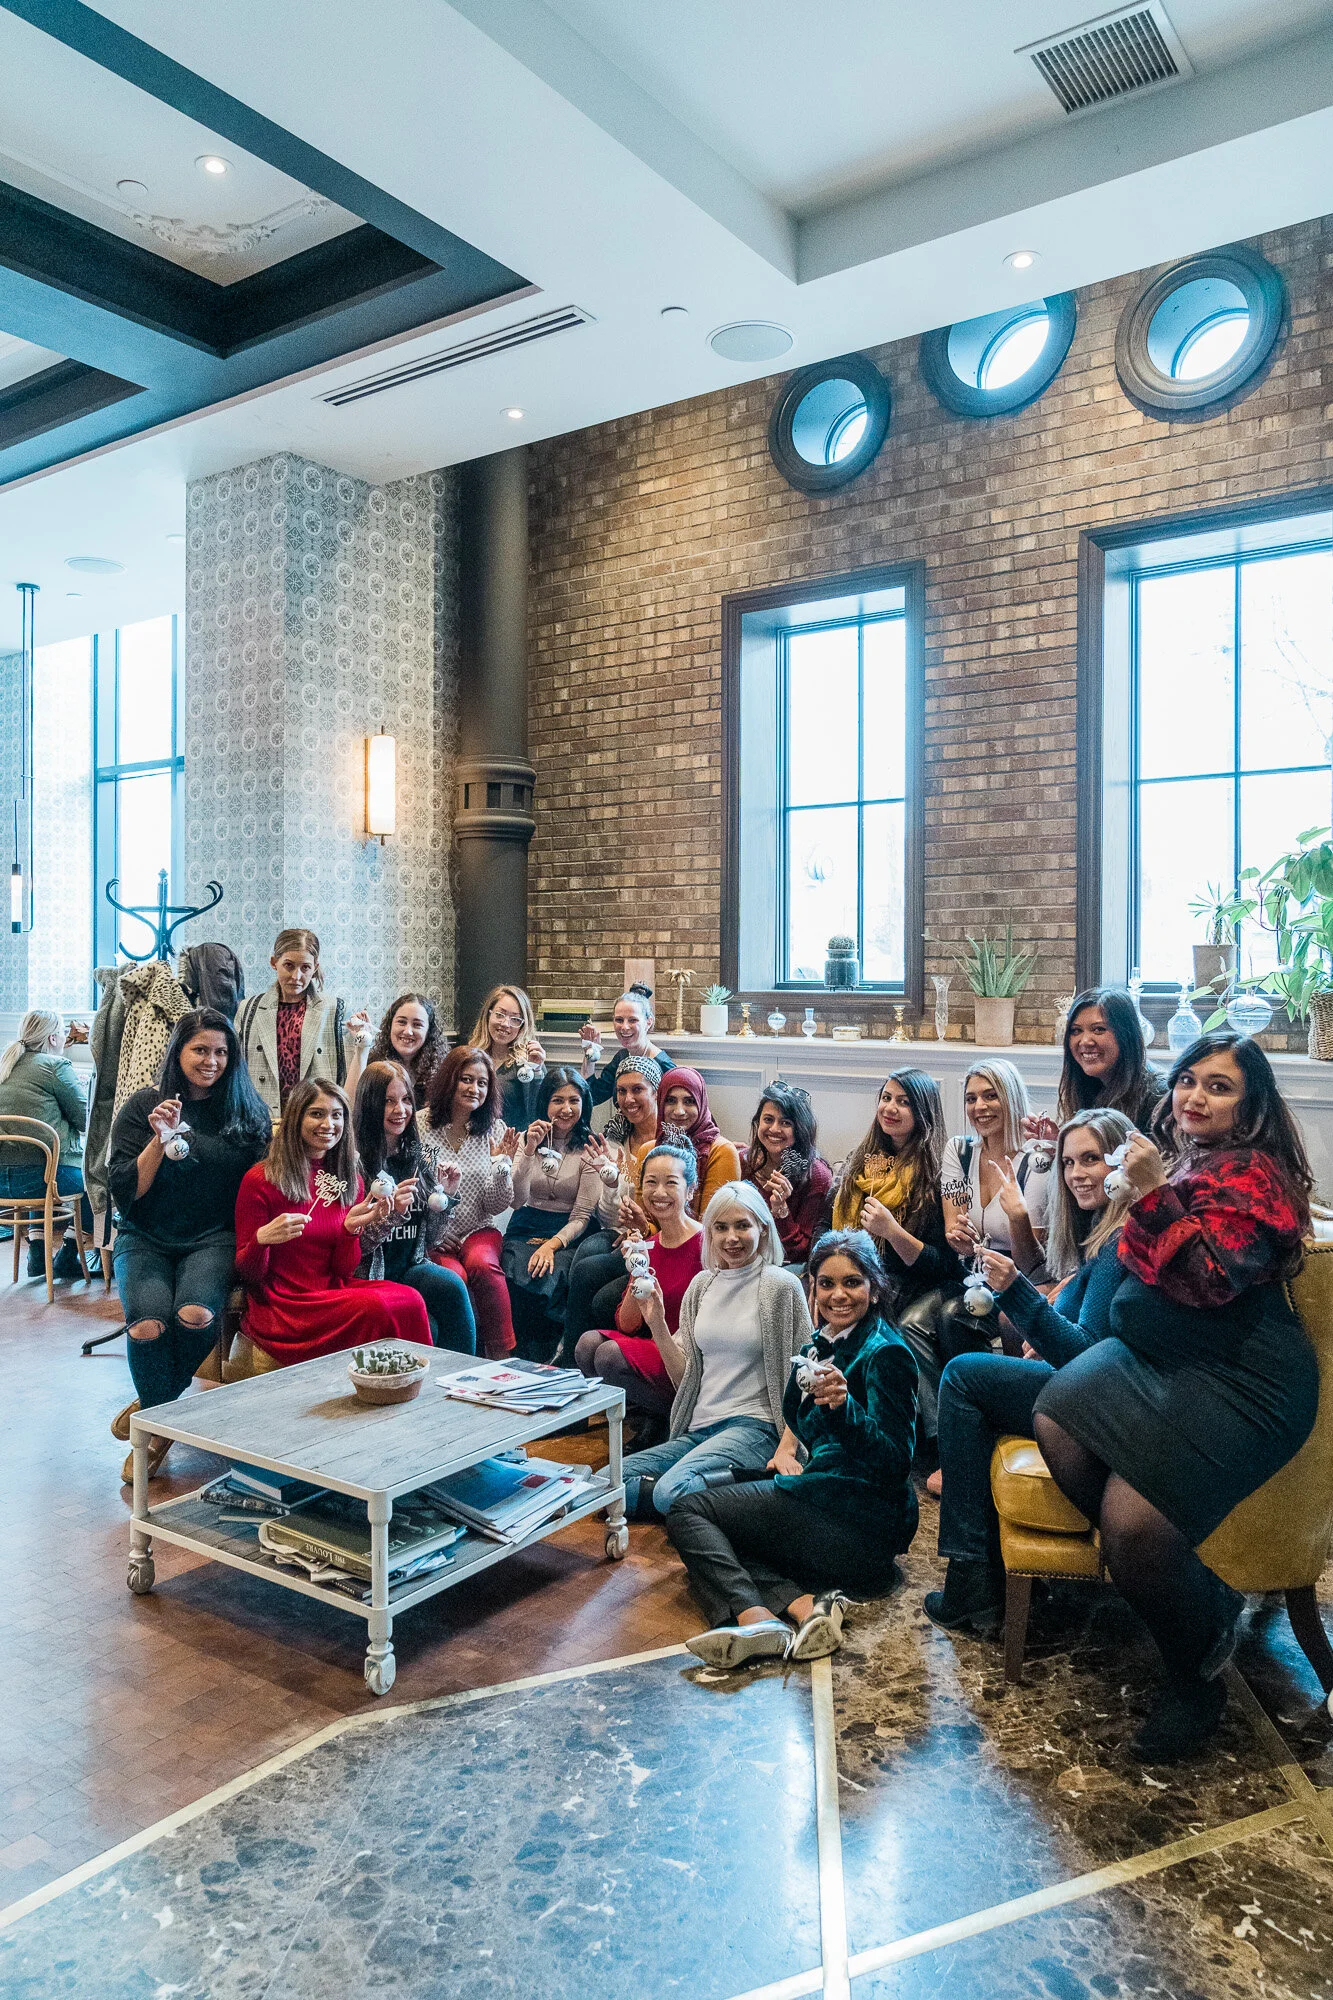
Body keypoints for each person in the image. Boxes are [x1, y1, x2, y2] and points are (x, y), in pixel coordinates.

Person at [1034, 1032, 1319, 1761]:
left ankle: (1194, 1678)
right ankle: (1201, 1598)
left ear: (1251, 1106)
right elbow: (1137, 1261)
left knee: (1133, 1529)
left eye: (1218, 1087)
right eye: (1187, 1079)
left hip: (1242, 1380)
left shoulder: (1255, 1178)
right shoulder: (1190, 1160)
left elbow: (1206, 1280)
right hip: (1165, 1360)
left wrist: (1155, 1194)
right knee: (1056, 1417)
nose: (1194, 1096)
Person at [924, 1108, 1136, 1635]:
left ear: (1120, 1165)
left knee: (963, 1377)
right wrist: (1040, 1326)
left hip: (1104, 1399)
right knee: (972, 1378)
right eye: (1069, 1162)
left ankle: (970, 1581)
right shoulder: (1102, 1232)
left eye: (1091, 1159)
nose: (1077, 1174)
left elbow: (1086, 1352)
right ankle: (988, 1575)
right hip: (1096, 1386)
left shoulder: (1120, 1241)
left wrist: (1015, 1290)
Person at [669, 1230, 919, 1666]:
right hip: (826, 1496)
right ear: (813, 1289)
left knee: (688, 1513)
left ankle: (755, 1616)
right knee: (711, 1508)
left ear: (875, 1289)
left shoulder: (885, 1354)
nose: (838, 1295)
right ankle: (806, 1606)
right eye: (827, 1283)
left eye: (852, 1282)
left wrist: (845, 1409)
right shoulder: (818, 1346)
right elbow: (804, 1426)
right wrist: (786, 1453)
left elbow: (895, 1464)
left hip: (861, 1524)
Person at [106, 1009, 271, 1481]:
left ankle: (152, 1419)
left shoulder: (246, 1112)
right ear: (178, 1052)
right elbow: (129, 1191)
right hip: (144, 1237)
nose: (211, 1061)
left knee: (195, 1315)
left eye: (221, 1051)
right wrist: (159, 1140)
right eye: (200, 1049)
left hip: (213, 1238)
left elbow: (260, 1185)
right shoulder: (143, 1107)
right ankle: (159, 1422)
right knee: (146, 1325)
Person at [619, 1181, 810, 1519]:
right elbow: (685, 1379)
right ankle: (708, 1498)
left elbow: (805, 1375)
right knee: (609, 1479)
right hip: (700, 1428)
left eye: (742, 1226)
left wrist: (788, 1447)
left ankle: (738, 1487)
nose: (731, 1238)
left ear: (763, 1229)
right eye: (720, 1228)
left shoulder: (781, 1286)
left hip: (755, 1427)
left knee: (669, 1490)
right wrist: (658, 1324)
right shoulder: (702, 1285)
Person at [234, 1078, 432, 1365]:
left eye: (337, 1115)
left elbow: (343, 1269)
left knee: (411, 1299)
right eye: (317, 1114)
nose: (328, 1124)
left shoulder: (351, 1181)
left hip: (332, 1290)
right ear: (296, 1118)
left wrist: (349, 1231)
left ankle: (411, 1381)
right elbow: (249, 1274)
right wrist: (261, 1240)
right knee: (377, 1306)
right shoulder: (260, 1180)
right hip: (286, 1303)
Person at [830, 1070, 964, 1454]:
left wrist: (891, 1231)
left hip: (917, 1284)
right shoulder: (863, 1162)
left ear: (923, 1113)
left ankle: (939, 1444)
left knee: (891, 1321)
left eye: (904, 1102)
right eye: (886, 1098)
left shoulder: (936, 1174)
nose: (890, 1108)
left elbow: (944, 1264)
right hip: (867, 1277)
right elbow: (829, 1221)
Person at [574, 1141, 705, 1424]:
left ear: (690, 1190)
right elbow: (628, 1324)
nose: (659, 1192)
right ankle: (644, 1413)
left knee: (608, 1355)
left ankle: (670, 1418)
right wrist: (639, 1270)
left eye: (671, 1183)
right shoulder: (648, 1245)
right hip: (653, 1341)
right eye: (651, 1183)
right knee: (587, 1344)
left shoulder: (705, 1244)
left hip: (687, 1354)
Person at [352, 1060, 475, 1353]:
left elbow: (432, 1239)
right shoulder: (353, 1160)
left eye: (406, 1099)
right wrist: (391, 1215)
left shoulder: (420, 1155)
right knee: (428, 1324)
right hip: (370, 1274)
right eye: (389, 1101)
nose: (401, 1110)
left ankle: (464, 1375)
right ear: (370, 1104)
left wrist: (446, 1199)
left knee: (452, 1286)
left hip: (411, 1265)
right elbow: (356, 1247)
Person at [501, 1067, 618, 1358]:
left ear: (584, 1104)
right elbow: (517, 1200)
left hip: (568, 1231)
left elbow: (582, 1215)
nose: (566, 1109)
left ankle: (547, 1353)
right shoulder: (528, 1139)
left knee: (548, 1274)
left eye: (574, 1101)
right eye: (558, 1100)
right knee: (513, 1268)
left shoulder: (590, 1147)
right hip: (526, 1224)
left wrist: (551, 1246)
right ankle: (518, 1353)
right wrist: (529, 1150)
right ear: (545, 1104)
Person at [418, 1044, 519, 1358]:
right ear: (450, 1080)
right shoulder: (420, 1126)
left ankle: (503, 1356)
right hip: (432, 1234)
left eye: (482, 1083)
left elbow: (495, 1205)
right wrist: (434, 1231)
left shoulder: (494, 1130)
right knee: (455, 1278)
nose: (474, 1089)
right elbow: (413, 1187)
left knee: (483, 1266)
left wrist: (502, 1167)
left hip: (478, 1229)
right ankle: (462, 1359)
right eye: (466, 1079)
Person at [560, 1057, 665, 1353]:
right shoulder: (613, 1139)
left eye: (637, 1090)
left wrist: (639, 1228)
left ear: (656, 1091)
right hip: (617, 1230)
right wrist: (610, 1182)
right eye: (621, 1091)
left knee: (588, 1270)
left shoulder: (669, 1139)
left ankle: (575, 1353)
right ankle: (573, 1347)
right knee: (585, 1253)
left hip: (651, 1234)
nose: (628, 1099)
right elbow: (607, 1217)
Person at [235, 928, 370, 1120]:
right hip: (262, 1120)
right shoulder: (249, 1010)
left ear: (315, 967)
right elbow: (236, 1073)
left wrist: (363, 1040)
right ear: (274, 962)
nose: (296, 976)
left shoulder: (335, 1011)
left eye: (305, 967)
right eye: (289, 965)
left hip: (318, 1121)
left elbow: (351, 1079)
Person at [0, 1009, 90, 1279]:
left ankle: (38, 1252)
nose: (64, 1038)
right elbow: (84, 1119)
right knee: (100, 1178)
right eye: (61, 1033)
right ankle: (68, 1254)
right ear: (52, 1038)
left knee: (42, 1165)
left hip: (4, 1182)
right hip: (42, 1180)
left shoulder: (5, 1065)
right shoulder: (55, 1066)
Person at [941, 1060, 1051, 1272]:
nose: (979, 1107)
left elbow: (1032, 1261)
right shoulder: (958, 1150)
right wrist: (960, 1240)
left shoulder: (1037, 1160)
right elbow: (954, 1230)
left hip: (1019, 1276)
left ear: (1012, 1099)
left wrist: (1018, 1217)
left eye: (991, 1096)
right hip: (970, 1272)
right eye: (971, 1099)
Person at [741, 1083, 832, 1268]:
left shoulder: (816, 1175)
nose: (774, 1129)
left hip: (788, 1267)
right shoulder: (742, 1162)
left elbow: (802, 1253)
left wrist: (781, 1210)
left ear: (800, 1129)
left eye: (786, 1123)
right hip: (742, 1258)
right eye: (768, 1119)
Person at [1049, 988, 1166, 1131]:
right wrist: (1058, 1141)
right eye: (1076, 1031)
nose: (1084, 1041)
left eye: (1098, 1029)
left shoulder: (1159, 1096)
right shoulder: (1091, 1086)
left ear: (1126, 1034)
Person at [656, 1066, 741, 1217]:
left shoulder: (721, 1151)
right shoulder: (651, 1149)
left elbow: (712, 1222)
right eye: (670, 1101)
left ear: (701, 1104)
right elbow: (646, 1219)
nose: (679, 1111)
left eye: (689, 1101)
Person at [469, 984, 549, 1127]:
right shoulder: (470, 1057)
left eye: (515, 1019)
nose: (506, 1024)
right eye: (500, 1015)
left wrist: (537, 1070)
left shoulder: (528, 1063)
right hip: (473, 1137)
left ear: (523, 1025)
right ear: (488, 1015)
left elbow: (538, 1113)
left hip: (513, 1139)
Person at [580, 983, 671, 1106]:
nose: (624, 1027)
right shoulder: (622, 1057)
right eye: (619, 1020)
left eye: (633, 1020)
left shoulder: (664, 1065)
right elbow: (592, 1096)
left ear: (648, 1022)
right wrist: (590, 1052)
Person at [364, 993, 447, 1109]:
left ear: (429, 1032)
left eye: (417, 1025)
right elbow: (352, 1105)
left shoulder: (443, 1071)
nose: (408, 1031)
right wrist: (362, 1045)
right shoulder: (373, 1065)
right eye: (402, 1022)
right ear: (390, 1025)